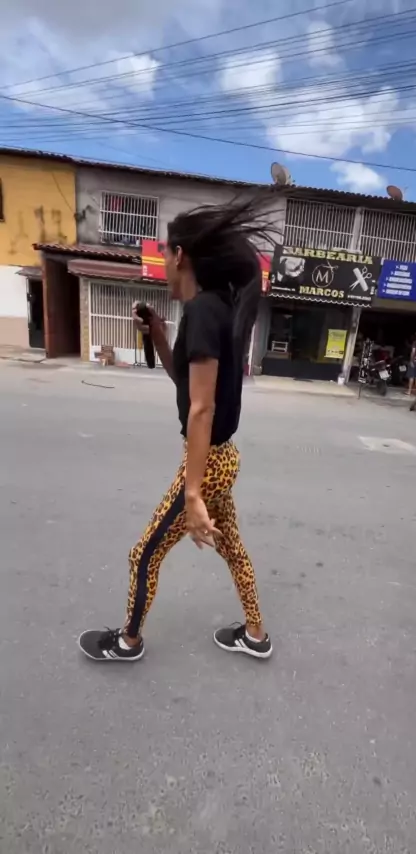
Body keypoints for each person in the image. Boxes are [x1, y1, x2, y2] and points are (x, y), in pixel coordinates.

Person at [78, 198, 273, 662]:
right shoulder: (215, 309)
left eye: (165, 251)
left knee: (144, 553)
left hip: (208, 463)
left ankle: (127, 641)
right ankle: (256, 634)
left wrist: (192, 494)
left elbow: (201, 410)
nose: (163, 260)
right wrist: (160, 337)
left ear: (180, 255)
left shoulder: (204, 311)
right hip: (222, 458)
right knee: (232, 549)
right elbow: (188, 387)